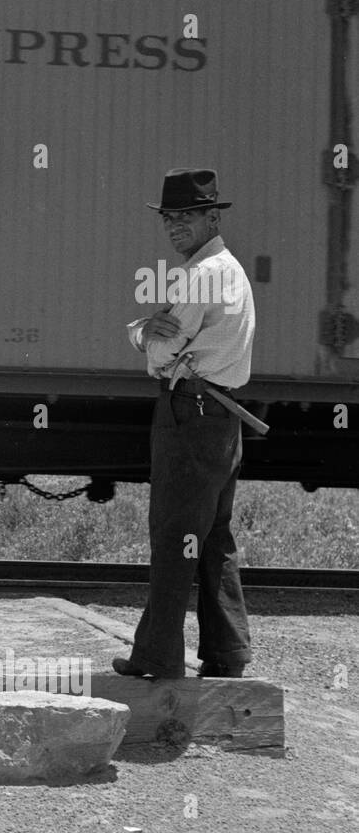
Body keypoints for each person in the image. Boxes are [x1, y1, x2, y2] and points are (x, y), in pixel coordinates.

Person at [116, 168, 255, 680]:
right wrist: (150, 330)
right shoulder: (227, 268)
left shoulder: (203, 274)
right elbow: (168, 335)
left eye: (186, 216)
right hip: (219, 415)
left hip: (191, 414)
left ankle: (156, 657)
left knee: (175, 533)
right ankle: (226, 653)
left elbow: (163, 348)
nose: (174, 226)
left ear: (211, 217)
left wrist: (138, 332)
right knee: (212, 536)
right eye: (169, 217)